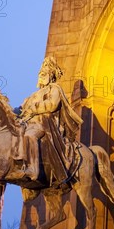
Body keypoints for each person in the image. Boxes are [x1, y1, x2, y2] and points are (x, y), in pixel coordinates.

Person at [15, 55, 83, 184]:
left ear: (51, 74)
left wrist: (33, 109)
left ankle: (33, 169)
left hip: (44, 123)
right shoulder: (32, 96)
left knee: (29, 136)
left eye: (46, 70)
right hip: (28, 123)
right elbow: (21, 109)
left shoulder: (55, 89)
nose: (42, 72)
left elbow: (52, 105)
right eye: (41, 70)